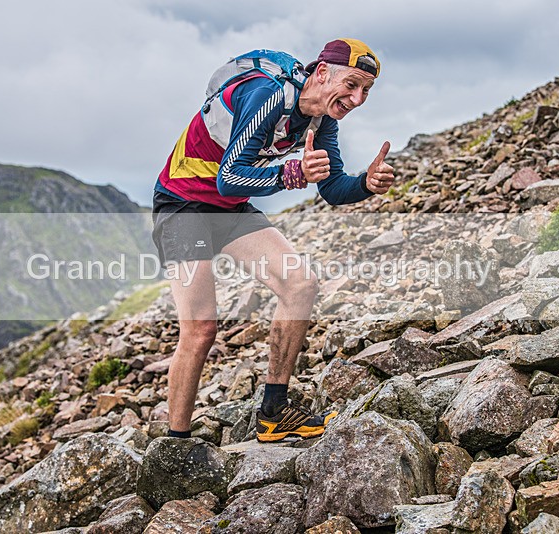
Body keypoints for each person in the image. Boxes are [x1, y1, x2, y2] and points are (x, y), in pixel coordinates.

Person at [152, 38, 395, 442]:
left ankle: (274, 412)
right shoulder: (267, 94)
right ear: (321, 73)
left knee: (300, 283)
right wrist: (292, 174)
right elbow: (228, 179)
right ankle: (174, 446)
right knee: (200, 329)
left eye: (365, 91)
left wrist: (366, 185)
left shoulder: (322, 121)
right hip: (183, 206)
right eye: (351, 84)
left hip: (228, 211)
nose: (357, 98)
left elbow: (332, 189)